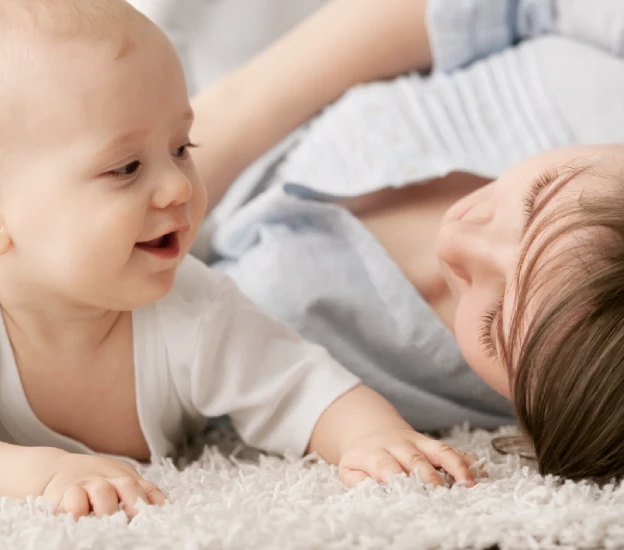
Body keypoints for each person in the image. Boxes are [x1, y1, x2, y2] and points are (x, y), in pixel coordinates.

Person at [0, 0, 482, 521]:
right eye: (125, 168)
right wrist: (43, 474)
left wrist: (370, 435)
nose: (177, 188)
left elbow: (298, 382)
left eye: (181, 148)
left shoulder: (192, 305)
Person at [186, 0, 624, 482]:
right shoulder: (595, 85)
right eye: (540, 198)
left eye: (494, 325)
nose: (460, 239)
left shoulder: (346, 355)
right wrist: (202, 139)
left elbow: (165, 370)